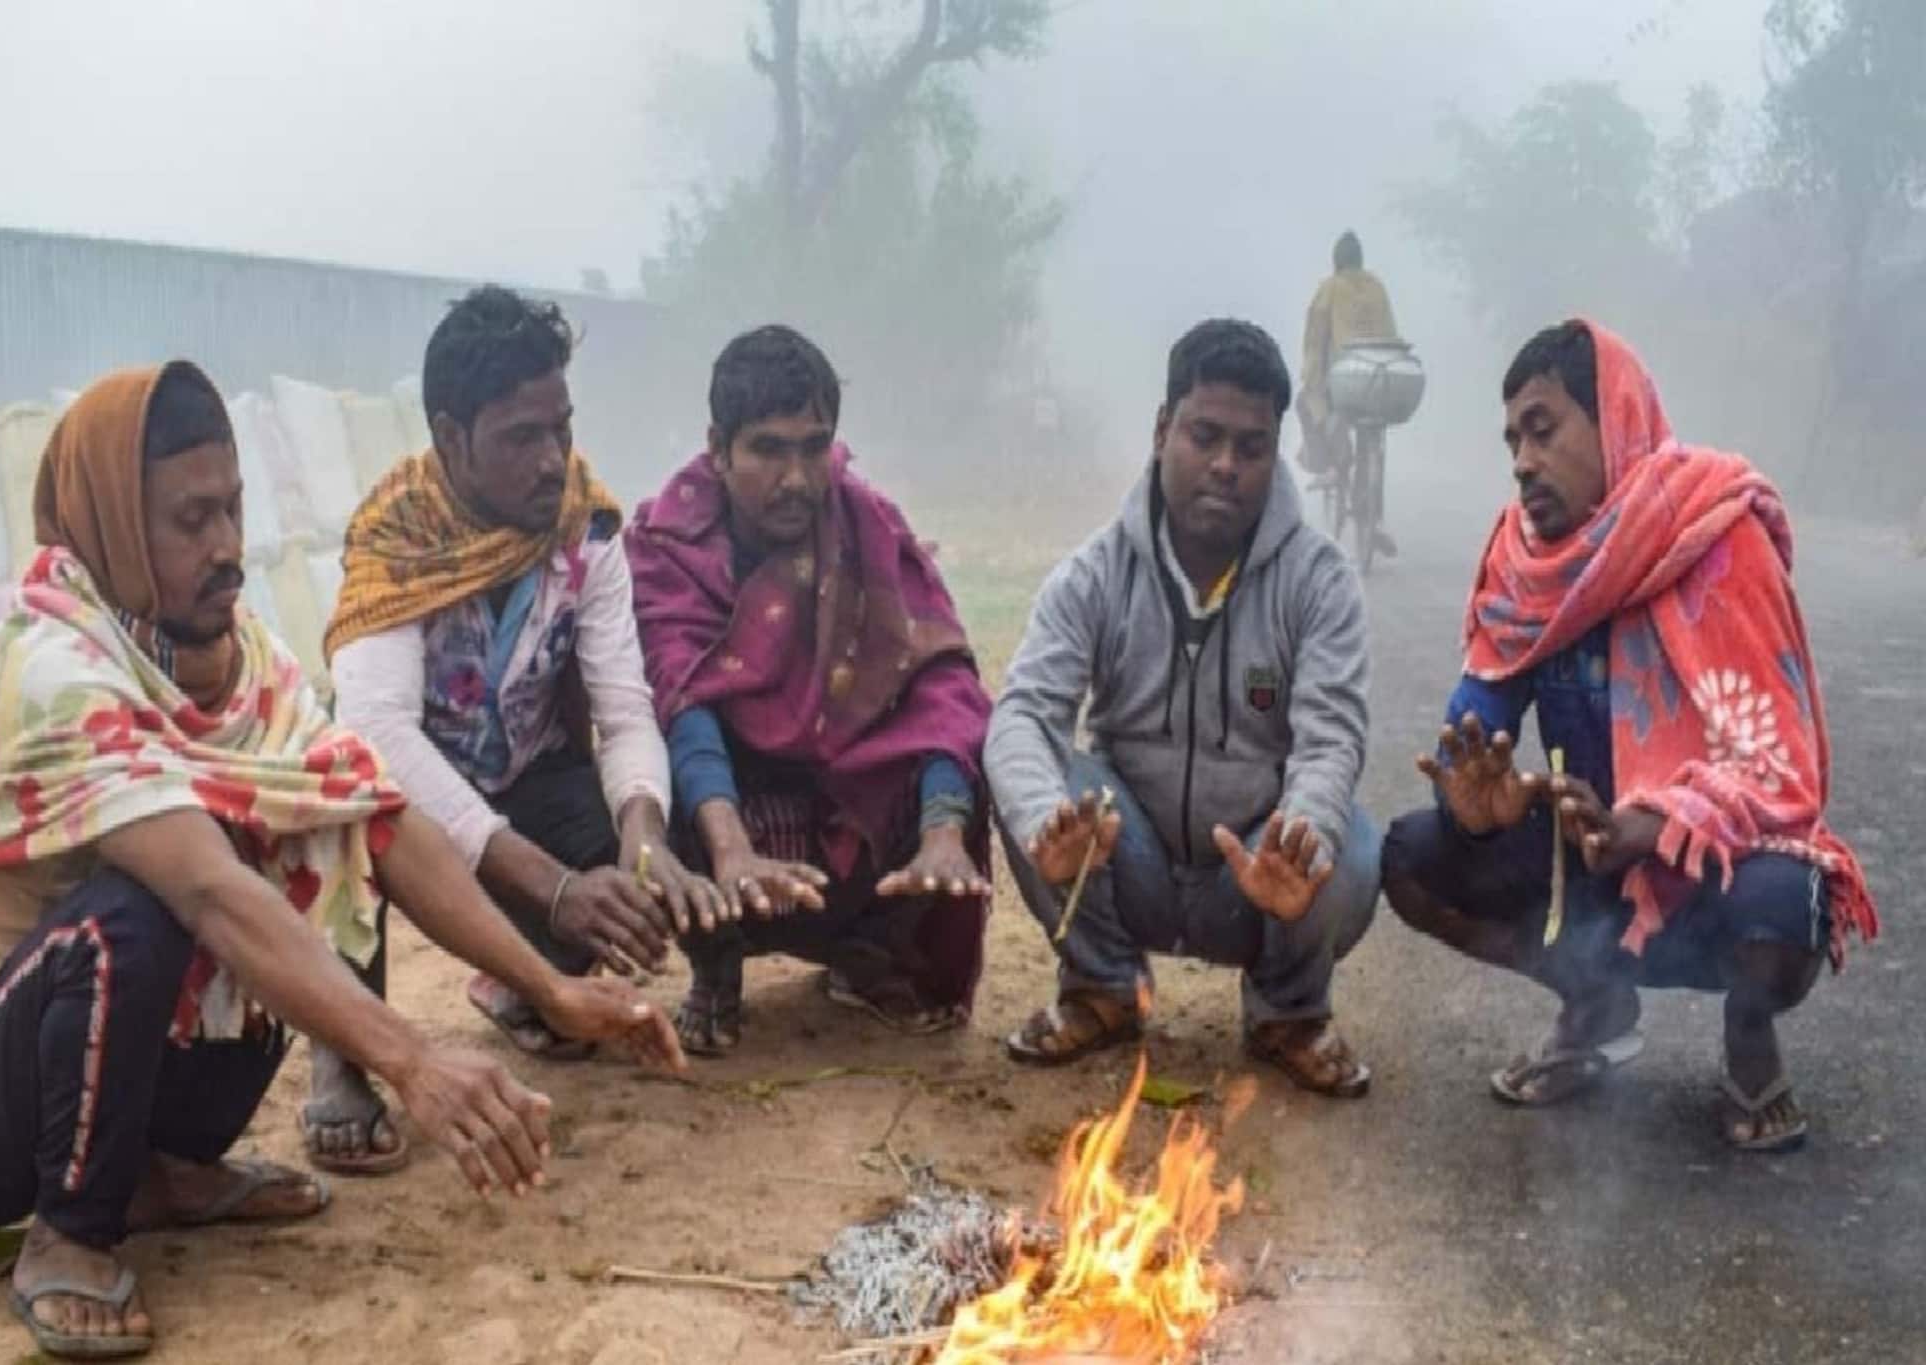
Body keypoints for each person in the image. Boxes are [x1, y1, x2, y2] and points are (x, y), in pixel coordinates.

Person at [0, 363, 681, 1359]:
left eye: (233, 509)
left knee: (301, 840)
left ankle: (157, 1173)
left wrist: (549, 986)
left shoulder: (241, 657)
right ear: (117, 529)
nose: (226, 549)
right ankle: (68, 1234)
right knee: (140, 909)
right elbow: (205, 894)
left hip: (77, 1068)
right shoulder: (53, 667)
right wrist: (414, 1059)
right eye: (190, 521)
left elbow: (376, 819)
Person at [1381, 319, 1877, 1152]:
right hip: (1591, 862)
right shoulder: (1524, 563)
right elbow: (1471, 736)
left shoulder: (1717, 535)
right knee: (1407, 855)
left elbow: (1782, 770)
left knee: (1786, 903)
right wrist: (1476, 806)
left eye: (1544, 429)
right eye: (1512, 440)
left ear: (1611, 416)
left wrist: (1650, 824)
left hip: (1710, 866)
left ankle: (1748, 1032)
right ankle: (1595, 1002)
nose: (1523, 461)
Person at [312, 287, 717, 1169]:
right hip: (405, 804)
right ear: (451, 438)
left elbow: (623, 706)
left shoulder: (587, 524)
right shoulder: (396, 540)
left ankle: (522, 987)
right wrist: (553, 886)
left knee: (653, 840)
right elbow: (379, 735)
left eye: (560, 429)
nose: (552, 461)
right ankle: (342, 1052)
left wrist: (643, 843)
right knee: (341, 802)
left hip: (533, 778)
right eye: (520, 438)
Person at [986, 319, 1380, 1096]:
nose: (1227, 466)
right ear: (1163, 429)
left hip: (1255, 879)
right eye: (1205, 435)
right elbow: (1021, 715)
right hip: (1125, 863)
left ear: (1275, 452)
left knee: (1352, 845)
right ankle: (1103, 988)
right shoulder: (1092, 575)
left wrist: (1303, 834)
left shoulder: (1321, 580)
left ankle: (1288, 1013)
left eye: (1252, 446)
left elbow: (1332, 738)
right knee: (1033, 767)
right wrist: (1045, 824)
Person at [625, 325, 993, 1056]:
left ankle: (873, 954)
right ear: (718, 449)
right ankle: (717, 959)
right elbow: (684, 698)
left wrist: (944, 832)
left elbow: (941, 680)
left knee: (963, 746)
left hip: (844, 803)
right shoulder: (668, 547)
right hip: (729, 809)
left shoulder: (868, 523)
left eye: (813, 446)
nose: (796, 476)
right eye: (768, 448)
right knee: (651, 770)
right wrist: (731, 853)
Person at [1298, 230, 1401, 553]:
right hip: (1382, 375)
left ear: (1336, 262)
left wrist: (1311, 375)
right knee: (1375, 438)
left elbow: (1315, 339)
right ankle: (1376, 518)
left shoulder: (1330, 288)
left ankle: (1332, 464)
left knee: (1307, 401)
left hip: (1346, 378)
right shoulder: (1377, 287)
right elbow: (1392, 332)